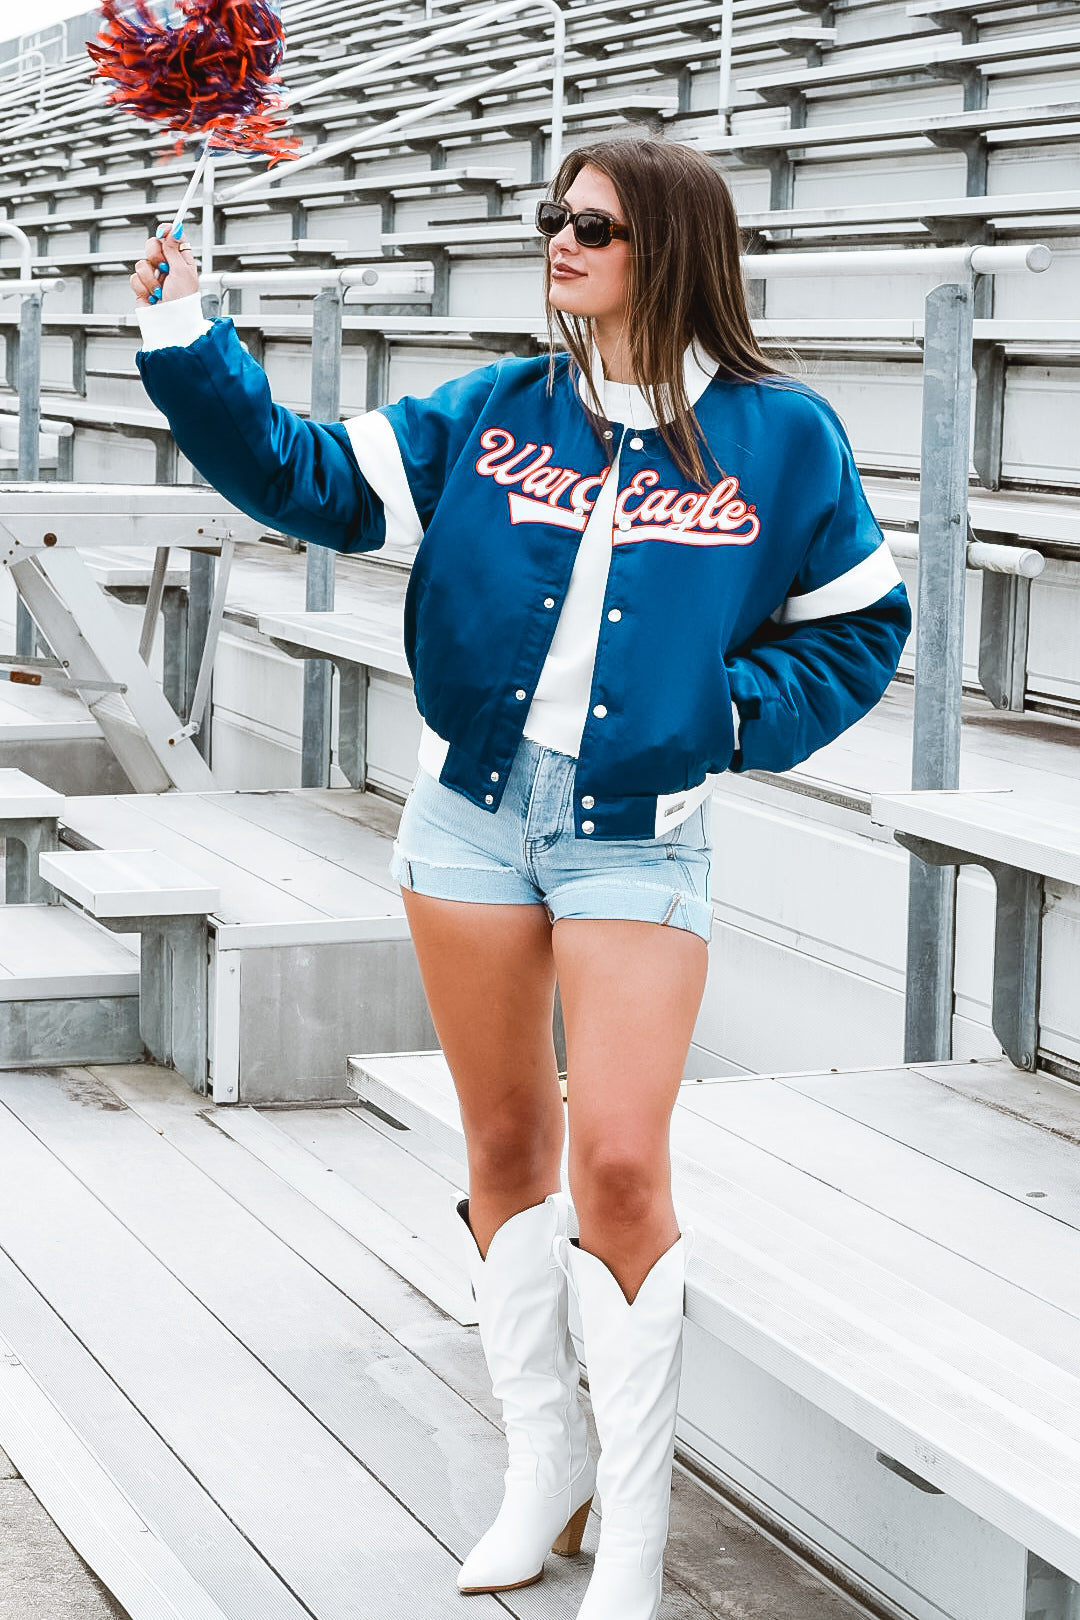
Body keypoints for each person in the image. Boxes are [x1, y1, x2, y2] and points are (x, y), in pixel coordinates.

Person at [132, 136, 910, 1619]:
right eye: (551, 217)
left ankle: (632, 1529)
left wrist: (735, 717)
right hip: (472, 818)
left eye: (593, 225)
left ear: (668, 246)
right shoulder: (496, 412)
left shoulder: (782, 436)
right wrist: (189, 342)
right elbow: (308, 483)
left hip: (639, 824)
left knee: (618, 1160)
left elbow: (863, 627)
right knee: (504, 1155)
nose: (559, 241)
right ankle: (541, 1470)